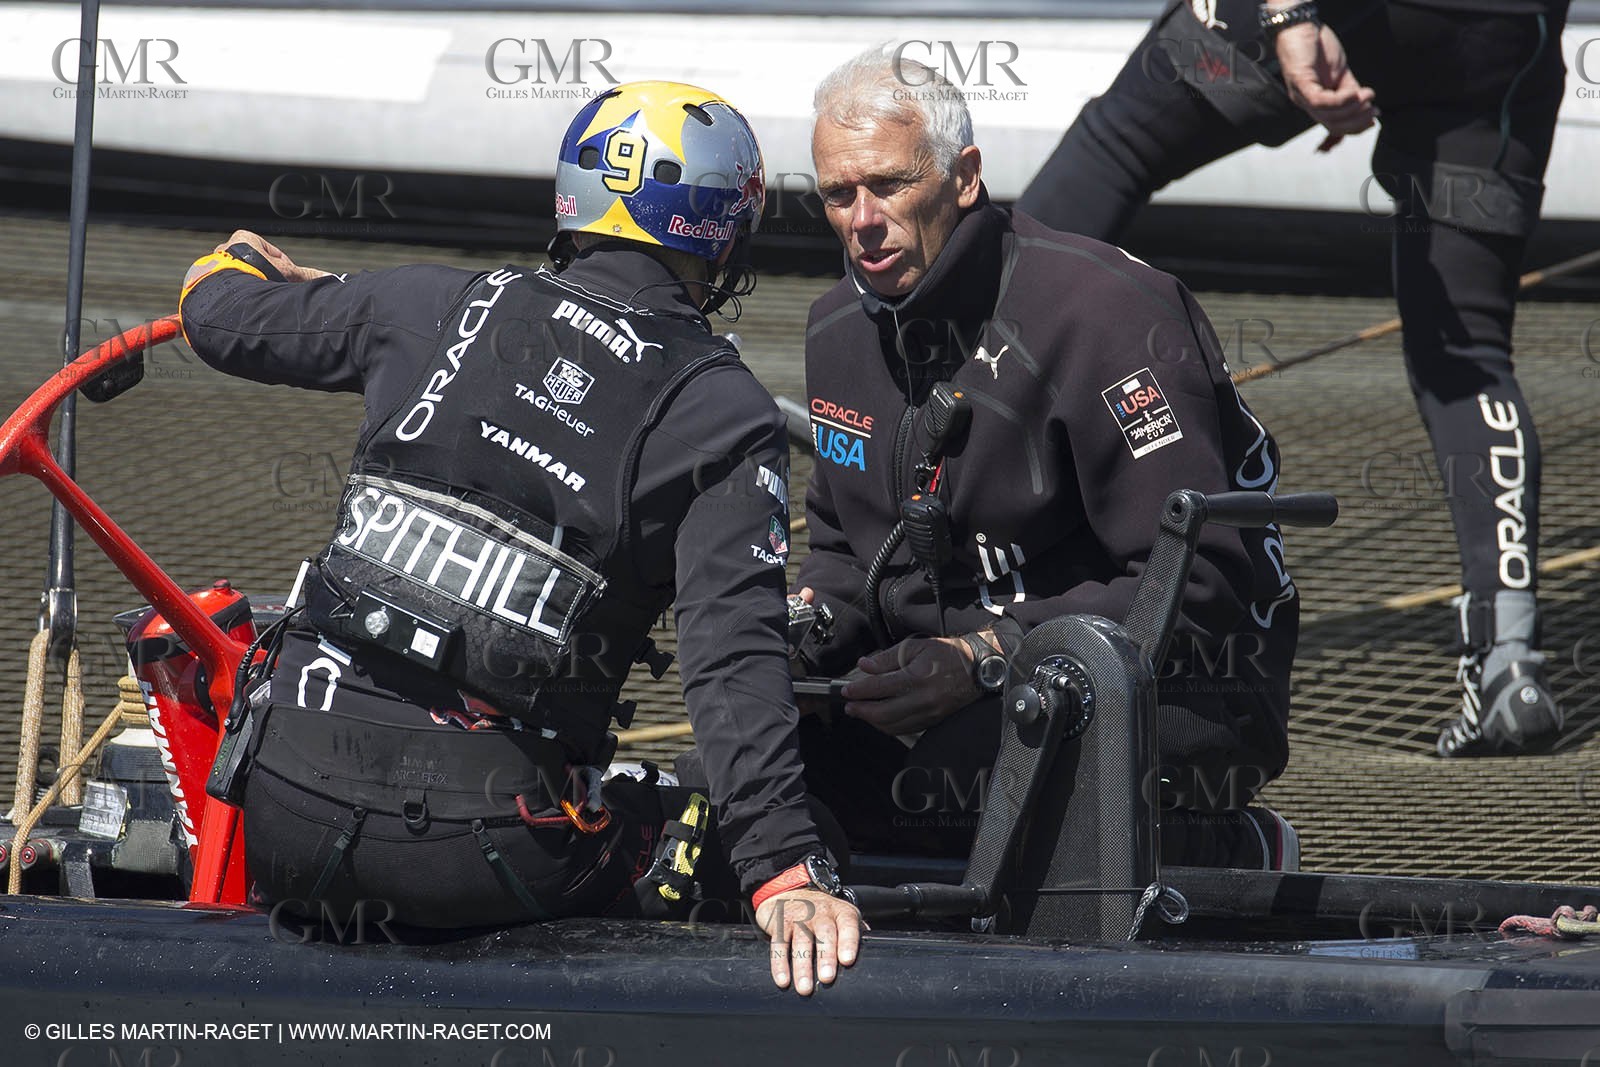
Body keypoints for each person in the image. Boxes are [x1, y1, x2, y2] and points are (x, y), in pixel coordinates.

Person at [178, 81, 860, 995]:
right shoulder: (723, 416)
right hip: (484, 858)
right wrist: (783, 864)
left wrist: (243, 262)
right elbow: (734, 664)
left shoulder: (423, 302)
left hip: (283, 816)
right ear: (724, 233)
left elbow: (217, 319)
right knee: (711, 813)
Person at [791, 49, 1301, 869]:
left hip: (1174, 678)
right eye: (837, 195)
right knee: (752, 776)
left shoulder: (1105, 314)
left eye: (887, 185)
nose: (862, 220)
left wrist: (987, 657)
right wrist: (799, 632)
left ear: (963, 177)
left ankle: (1224, 849)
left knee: (952, 796)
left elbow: (1202, 581)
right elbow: (847, 553)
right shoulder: (834, 334)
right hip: (939, 690)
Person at [1016, 0, 1568, 757]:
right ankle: (1511, 665)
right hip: (1501, 38)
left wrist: (1289, 17)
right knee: (1466, 350)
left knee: (1118, 145)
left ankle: (954, 393)